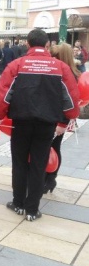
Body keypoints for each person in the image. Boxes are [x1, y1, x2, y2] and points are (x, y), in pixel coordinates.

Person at [0, 29, 80, 222]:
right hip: (46, 124)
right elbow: (71, 100)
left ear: (28, 44)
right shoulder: (61, 67)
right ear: (47, 45)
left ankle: (18, 203)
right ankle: (32, 210)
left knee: (20, 163)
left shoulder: (16, 65)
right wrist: (69, 118)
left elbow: (3, 95)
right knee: (39, 165)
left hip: (21, 123)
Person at [45, 43, 81, 194]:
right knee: (52, 147)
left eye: (55, 57)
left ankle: (50, 178)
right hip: (53, 116)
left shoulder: (68, 74)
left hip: (58, 118)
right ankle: (48, 178)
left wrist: (63, 122)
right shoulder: (70, 72)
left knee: (52, 147)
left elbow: (70, 102)